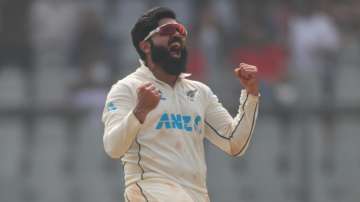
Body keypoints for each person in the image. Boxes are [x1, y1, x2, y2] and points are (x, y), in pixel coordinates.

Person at [102, 7, 260, 202]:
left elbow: (235, 143)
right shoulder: (127, 88)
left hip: (195, 195)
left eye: (180, 31)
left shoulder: (200, 92)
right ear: (145, 46)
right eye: (168, 31)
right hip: (149, 190)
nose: (176, 36)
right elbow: (113, 147)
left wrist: (251, 95)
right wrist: (139, 111)